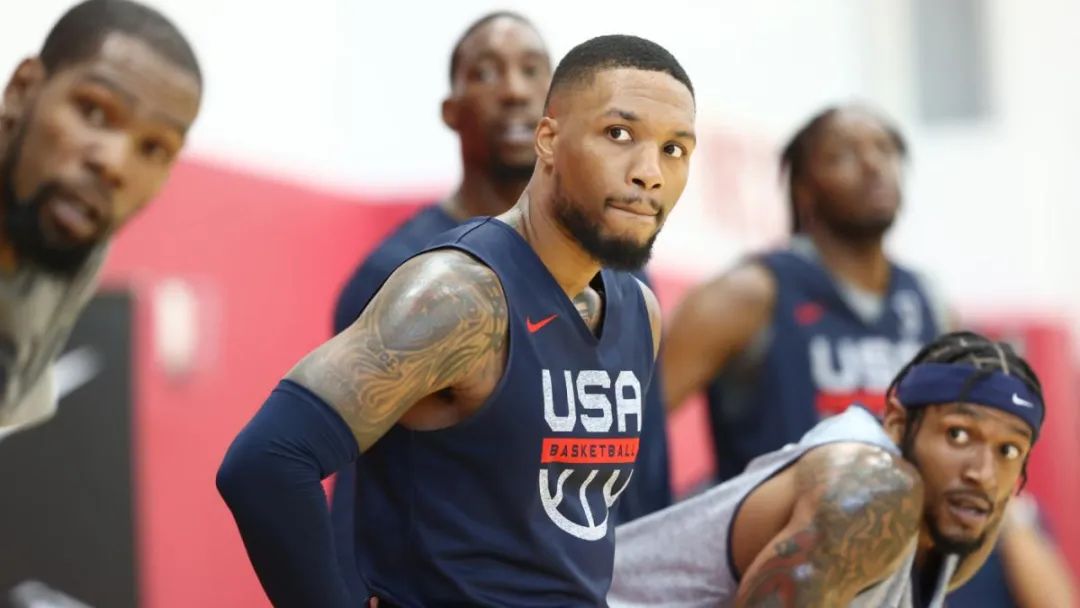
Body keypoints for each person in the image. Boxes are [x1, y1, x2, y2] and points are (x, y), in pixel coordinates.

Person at [217, 34, 696, 606]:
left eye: (674, 148)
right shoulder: (460, 295)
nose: (650, 172)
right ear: (548, 139)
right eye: (619, 134)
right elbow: (266, 463)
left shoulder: (639, 311)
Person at [327, 14, 675, 600]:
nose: (513, 88)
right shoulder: (401, 270)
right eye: (486, 73)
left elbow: (642, 469)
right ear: (451, 111)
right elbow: (351, 477)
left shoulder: (624, 277)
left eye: (532, 70)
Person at [609, 331, 1048, 607]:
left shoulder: (966, 515)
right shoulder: (872, 488)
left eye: (1009, 450)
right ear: (897, 422)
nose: (982, 472)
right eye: (958, 434)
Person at [0, 0, 201, 439]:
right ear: (21, 89)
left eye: (153, 148)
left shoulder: (65, 230)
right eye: (93, 111)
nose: (114, 164)